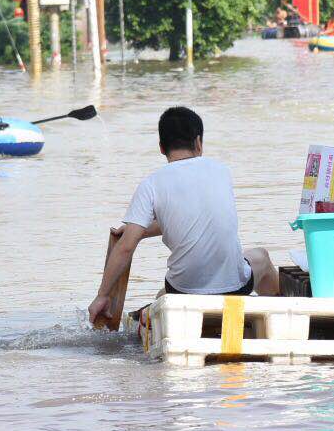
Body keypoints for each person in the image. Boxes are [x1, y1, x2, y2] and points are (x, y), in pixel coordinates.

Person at [88, 107, 278, 327]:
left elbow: (125, 247)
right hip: (234, 287)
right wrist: (140, 230)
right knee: (261, 257)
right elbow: (194, 217)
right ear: (198, 142)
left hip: (182, 290)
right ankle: (271, 321)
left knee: (163, 294)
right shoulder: (221, 171)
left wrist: (102, 295)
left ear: (161, 148)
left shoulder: (151, 184)